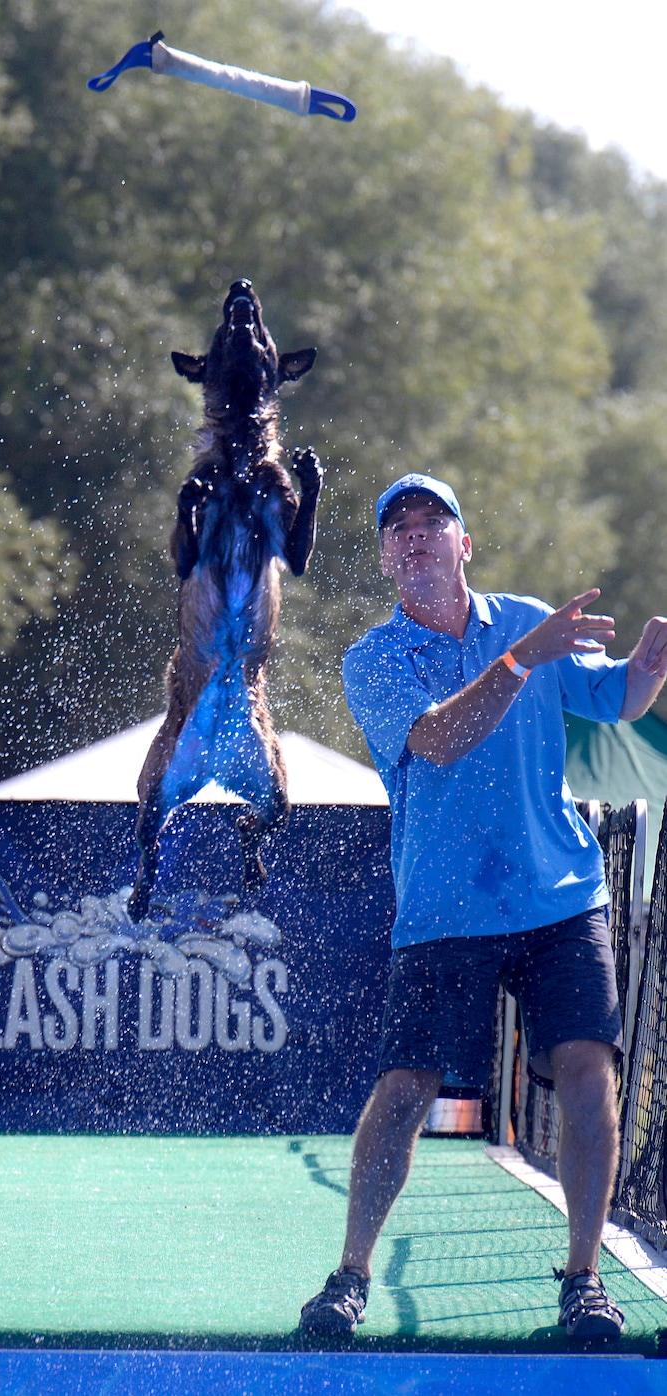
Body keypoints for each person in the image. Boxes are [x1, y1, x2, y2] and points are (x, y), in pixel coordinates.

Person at [299, 472, 667, 1343]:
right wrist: (519, 660)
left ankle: (584, 1281)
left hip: (560, 896)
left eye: (435, 521)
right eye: (400, 527)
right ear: (387, 558)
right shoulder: (374, 659)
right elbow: (437, 741)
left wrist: (649, 667)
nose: (417, 535)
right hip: (444, 909)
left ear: (465, 544)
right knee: (404, 1090)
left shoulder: (525, 620)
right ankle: (350, 1275)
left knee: (589, 1072)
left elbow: (613, 699)